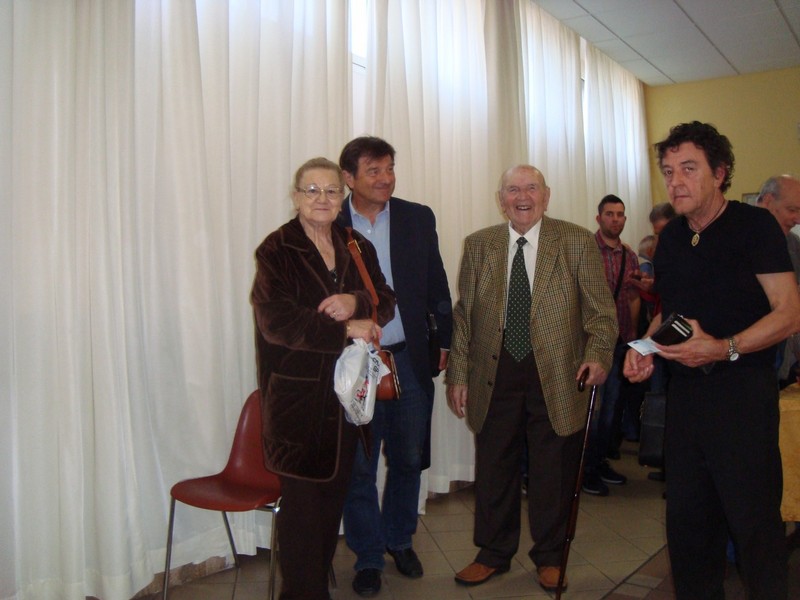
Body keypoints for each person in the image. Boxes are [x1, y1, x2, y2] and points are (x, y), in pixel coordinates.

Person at [624, 121, 800, 599]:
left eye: (688, 169)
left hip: (742, 396)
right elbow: (668, 314)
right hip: (686, 399)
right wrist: (644, 349)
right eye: (668, 171)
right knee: (688, 528)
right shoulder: (672, 239)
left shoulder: (754, 227)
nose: (675, 181)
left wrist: (724, 347)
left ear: (719, 173)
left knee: (754, 527)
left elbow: (789, 312)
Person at [446, 165, 617, 592]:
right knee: (494, 465)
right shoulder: (480, 244)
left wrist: (598, 356)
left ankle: (550, 556)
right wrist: (458, 374)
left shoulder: (575, 241)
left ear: (546, 195)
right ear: (501, 199)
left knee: (552, 469)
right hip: (495, 368)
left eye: (531, 188)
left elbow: (601, 313)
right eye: (513, 190)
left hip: (559, 370)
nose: (522, 197)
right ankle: (493, 552)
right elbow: (464, 316)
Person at [251, 157, 396, 600]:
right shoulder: (277, 249)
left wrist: (355, 302)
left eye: (332, 191)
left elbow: (384, 299)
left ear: (343, 196)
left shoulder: (355, 244)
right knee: (301, 516)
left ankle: (313, 590)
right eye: (311, 190)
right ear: (295, 196)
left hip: (349, 401)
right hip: (298, 405)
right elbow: (277, 323)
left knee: (331, 506)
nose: (322, 199)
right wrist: (344, 329)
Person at [336, 136, 453, 597]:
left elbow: (436, 281)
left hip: (408, 359)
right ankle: (368, 556)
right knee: (359, 468)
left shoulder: (416, 217)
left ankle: (399, 539)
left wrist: (444, 339)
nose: (385, 179)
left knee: (408, 458)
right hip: (354, 365)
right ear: (349, 178)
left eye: (389, 169)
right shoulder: (331, 222)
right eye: (373, 171)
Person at [582, 195, 639, 495]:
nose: (615, 219)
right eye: (609, 214)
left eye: (620, 214)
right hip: (592, 343)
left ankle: (599, 460)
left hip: (621, 342)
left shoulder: (630, 256)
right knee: (592, 409)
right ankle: (585, 469)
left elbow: (632, 296)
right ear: (598, 218)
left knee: (612, 409)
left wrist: (634, 340)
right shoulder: (586, 250)